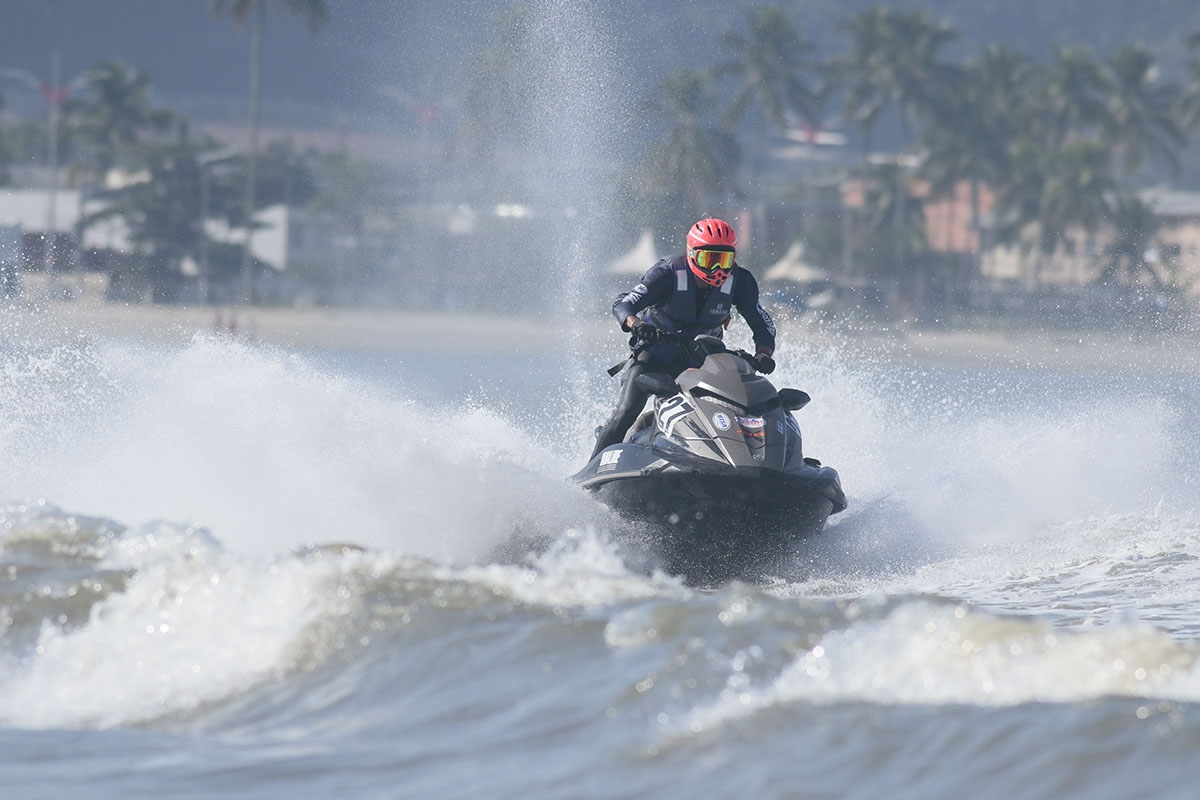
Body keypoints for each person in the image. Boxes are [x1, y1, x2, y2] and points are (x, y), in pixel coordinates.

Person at [589, 217, 777, 460]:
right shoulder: (667, 272)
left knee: (731, 407)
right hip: (654, 356)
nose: (717, 270)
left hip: (702, 361)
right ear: (691, 254)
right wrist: (636, 325)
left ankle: (736, 461)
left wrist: (763, 353)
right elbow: (623, 304)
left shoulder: (740, 280)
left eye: (724, 260)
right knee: (626, 410)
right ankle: (591, 470)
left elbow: (762, 322)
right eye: (709, 260)